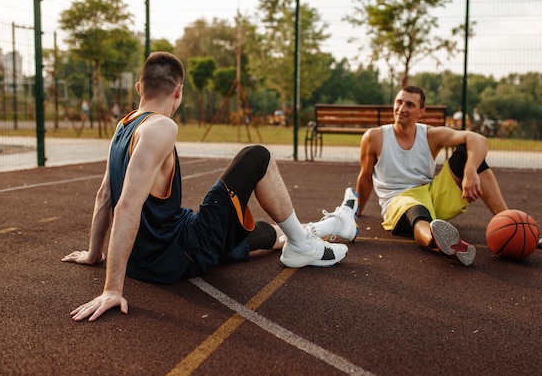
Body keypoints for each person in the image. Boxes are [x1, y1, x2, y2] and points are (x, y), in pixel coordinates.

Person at [62, 52, 357, 322]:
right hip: (181, 251)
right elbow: (127, 204)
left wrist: (94, 252)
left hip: (152, 257)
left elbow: (105, 195)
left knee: (269, 235)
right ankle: (303, 246)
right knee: (256, 157)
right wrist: (112, 289)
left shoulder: (123, 126)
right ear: (178, 91)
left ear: (139, 88)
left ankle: (335, 223)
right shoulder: (161, 126)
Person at [355, 85, 542, 267]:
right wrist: (357, 210)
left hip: (432, 196)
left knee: (467, 152)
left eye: (409, 104)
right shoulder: (374, 137)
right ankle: (438, 242)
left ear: (421, 112)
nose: (401, 108)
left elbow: (477, 139)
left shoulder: (430, 135)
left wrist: (470, 170)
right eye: (399, 102)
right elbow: (365, 176)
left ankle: (512, 223)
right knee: (417, 211)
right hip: (397, 201)